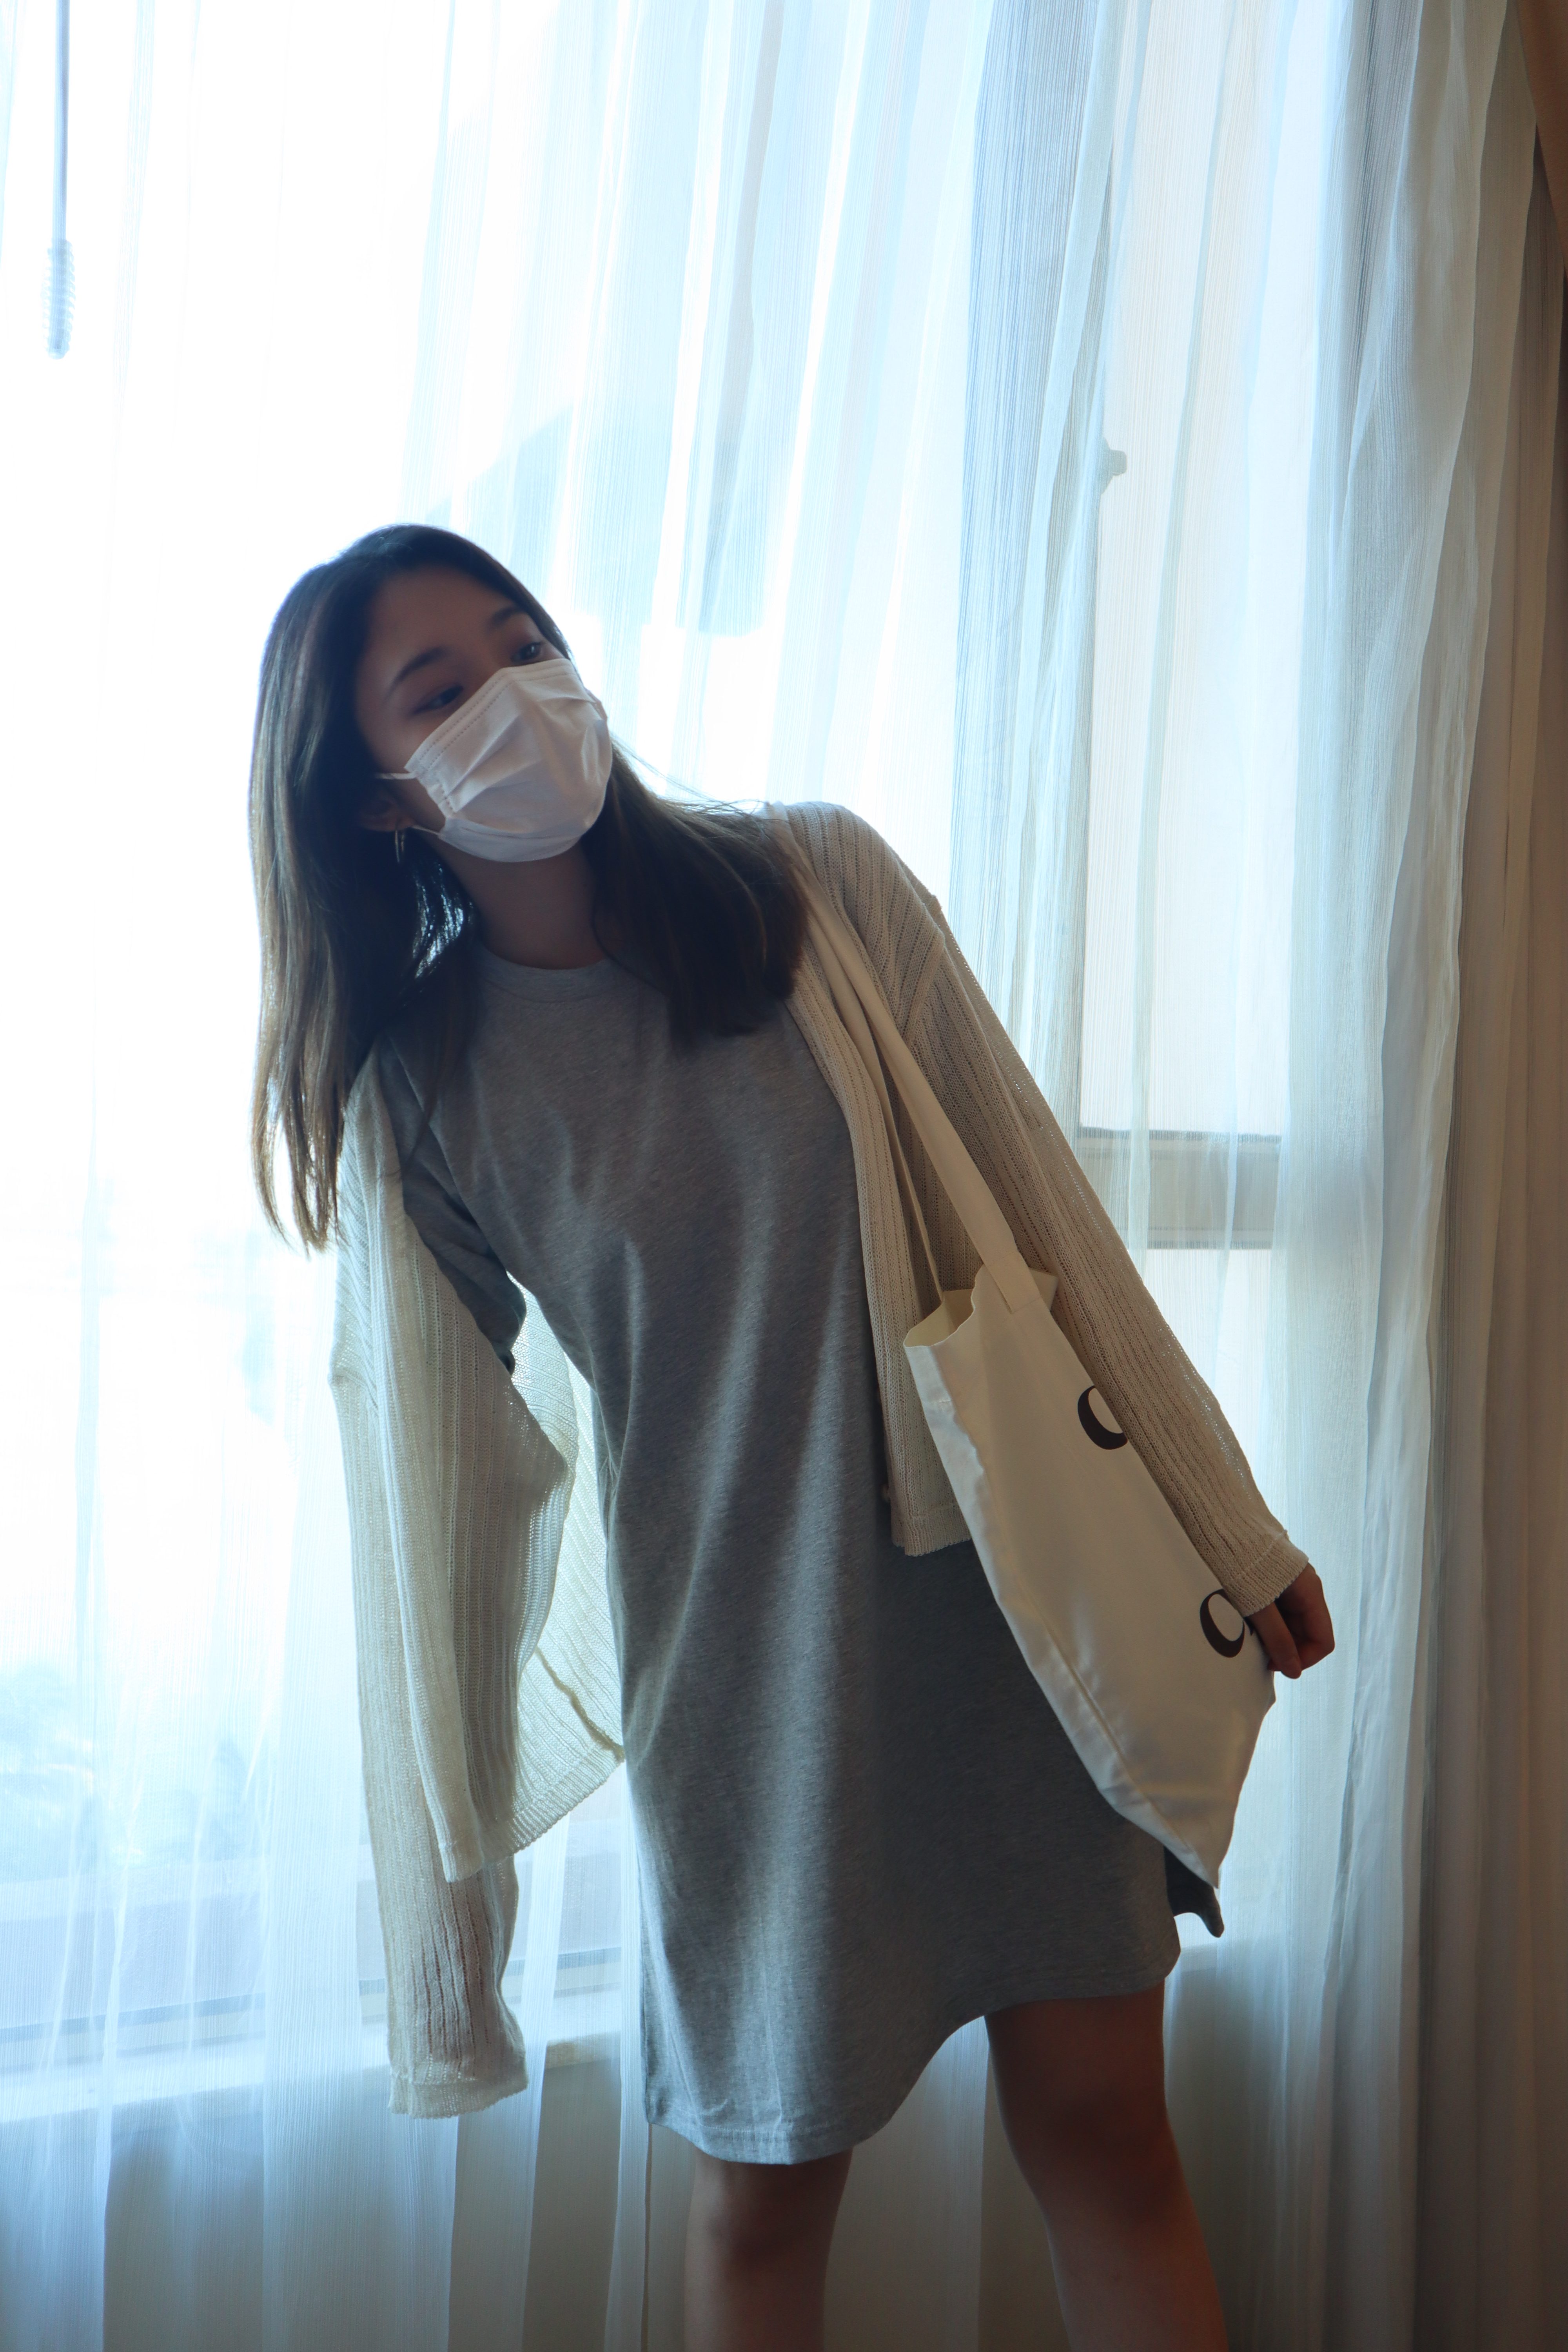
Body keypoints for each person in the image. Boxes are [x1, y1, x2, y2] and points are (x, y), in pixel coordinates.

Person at [248, 523, 1334, 2352]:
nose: (515, 695)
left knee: (1107, 2140)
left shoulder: (814, 888)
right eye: (441, 690)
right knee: (759, 2199)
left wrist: (1225, 1526)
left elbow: (1041, 1212)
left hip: (1015, 1621)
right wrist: (453, 1946)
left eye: (523, 642)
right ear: (373, 801)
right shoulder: (423, 1097)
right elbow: (427, 1524)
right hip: (744, 1682)